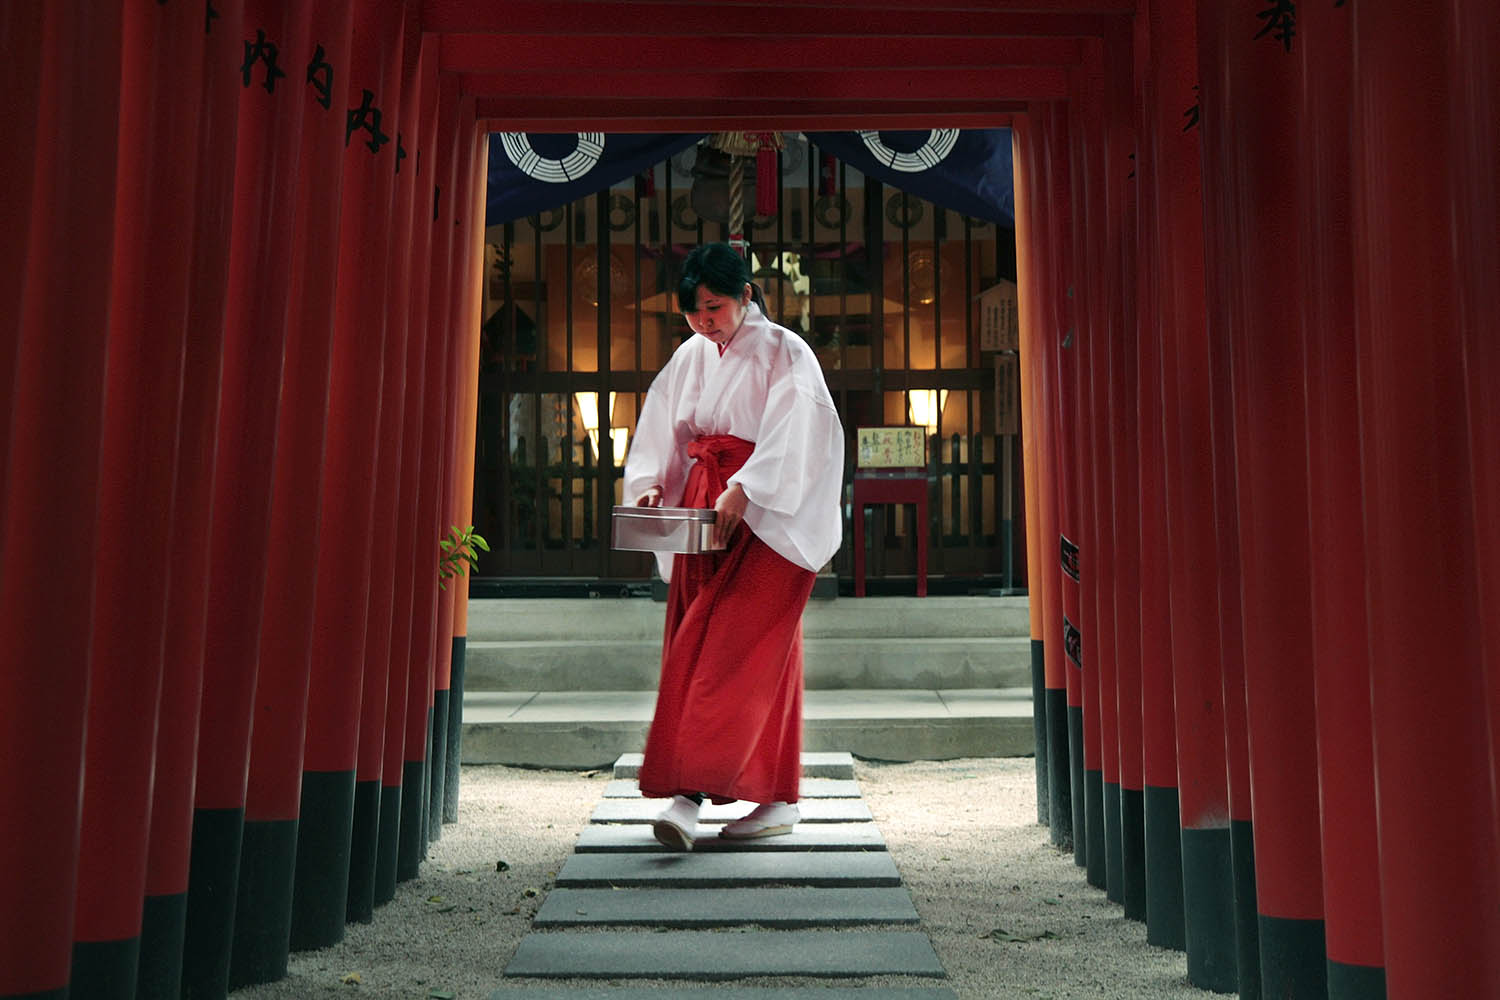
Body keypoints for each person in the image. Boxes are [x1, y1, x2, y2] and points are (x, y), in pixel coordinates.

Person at [622, 242, 844, 851]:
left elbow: (804, 428)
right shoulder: (690, 354)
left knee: (728, 646)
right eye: (693, 312)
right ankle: (774, 798)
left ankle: (688, 795)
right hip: (702, 505)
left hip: (766, 514)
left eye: (714, 307)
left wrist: (746, 487)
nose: (703, 322)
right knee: (718, 640)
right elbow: (661, 427)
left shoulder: (784, 349)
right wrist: (648, 489)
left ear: (746, 294)